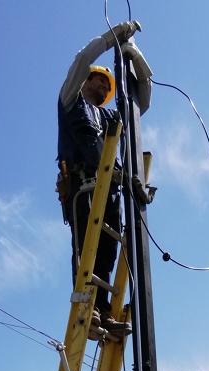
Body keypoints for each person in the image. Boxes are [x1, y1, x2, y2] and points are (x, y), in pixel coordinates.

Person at [57, 22, 152, 337]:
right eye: (98, 81)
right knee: (87, 250)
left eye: (107, 85)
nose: (103, 87)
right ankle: (87, 309)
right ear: (84, 82)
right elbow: (82, 59)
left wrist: (133, 55)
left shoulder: (111, 116)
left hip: (111, 191)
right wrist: (114, 38)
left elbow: (142, 102)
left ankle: (102, 311)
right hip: (84, 191)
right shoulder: (71, 101)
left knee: (109, 251)